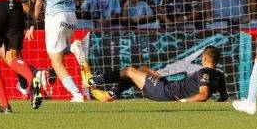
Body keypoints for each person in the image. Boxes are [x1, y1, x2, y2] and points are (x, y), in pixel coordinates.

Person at [31, 0, 89, 103]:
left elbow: (39, 1)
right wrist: (74, 1)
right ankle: (74, 47)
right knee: (60, 52)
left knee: (56, 62)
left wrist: (33, 22)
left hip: (55, 16)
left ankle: (77, 94)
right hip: (71, 15)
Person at [89, 46, 228, 103]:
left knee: (130, 71)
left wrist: (183, 101)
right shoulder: (220, 75)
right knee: (143, 69)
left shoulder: (203, 72)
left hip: (164, 92)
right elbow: (224, 97)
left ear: (204, 58)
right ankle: (112, 94)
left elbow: (203, 95)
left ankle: (94, 80)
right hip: (169, 86)